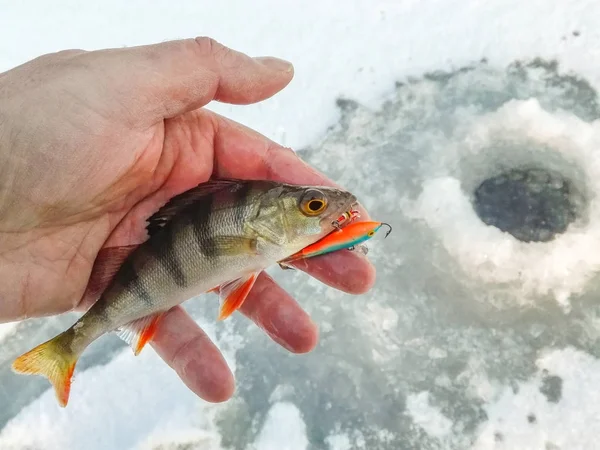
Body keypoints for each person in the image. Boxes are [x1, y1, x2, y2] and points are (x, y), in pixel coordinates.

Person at [0, 37, 375, 402]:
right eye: (311, 207)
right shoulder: (255, 238)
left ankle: (65, 350)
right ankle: (65, 349)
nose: (326, 213)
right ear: (266, 221)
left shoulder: (260, 240)